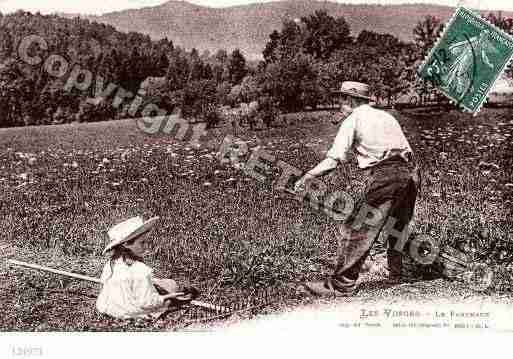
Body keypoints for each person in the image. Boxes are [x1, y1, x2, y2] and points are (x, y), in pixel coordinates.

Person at [294, 81, 420, 297]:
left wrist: (307, 176)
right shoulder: (387, 116)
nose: (339, 105)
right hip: (411, 172)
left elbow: (333, 160)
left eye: (341, 100)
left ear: (350, 100)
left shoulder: (353, 119)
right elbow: (407, 149)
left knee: (356, 226)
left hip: (387, 173)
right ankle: (400, 273)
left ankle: (341, 285)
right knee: (398, 225)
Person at [96, 216, 198, 319]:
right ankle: (176, 292)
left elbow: (104, 284)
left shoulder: (112, 262)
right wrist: (168, 297)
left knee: (159, 283)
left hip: (107, 306)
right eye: (142, 243)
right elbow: (146, 302)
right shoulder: (140, 269)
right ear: (126, 244)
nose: (146, 246)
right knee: (171, 286)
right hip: (128, 311)